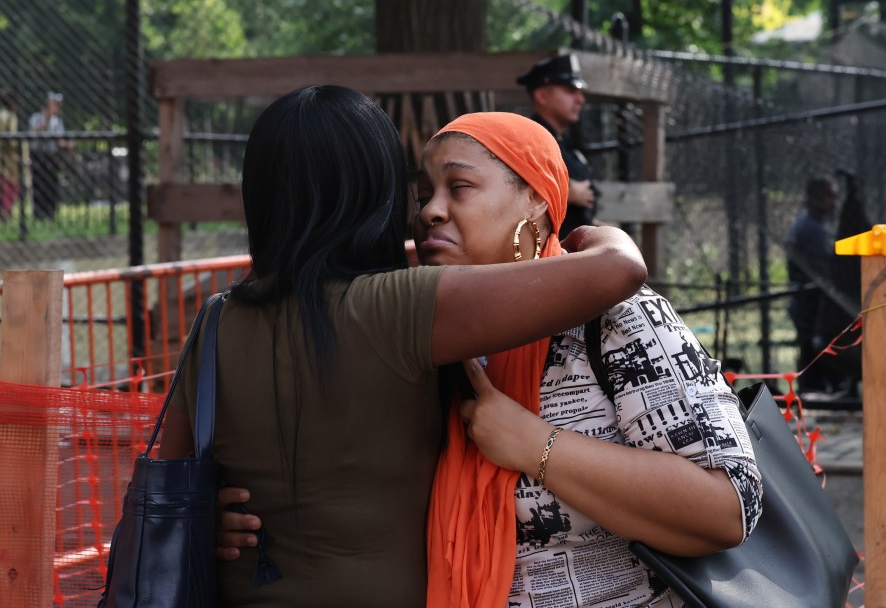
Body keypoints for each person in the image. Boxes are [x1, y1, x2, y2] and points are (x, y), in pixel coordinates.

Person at [220, 112, 762, 608]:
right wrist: (229, 520)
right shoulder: (421, 337)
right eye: (422, 193)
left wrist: (537, 446)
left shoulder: (615, 316)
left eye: (459, 187)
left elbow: (727, 505)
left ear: (534, 200)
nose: (430, 210)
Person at [158, 86, 647, 607]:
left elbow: (170, 488)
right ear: (378, 193)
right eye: (418, 195)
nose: (428, 211)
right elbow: (619, 271)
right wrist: (589, 235)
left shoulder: (215, 322)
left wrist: (207, 518)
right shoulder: (399, 308)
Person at [517, 52, 598, 238]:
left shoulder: (562, 141)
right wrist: (561, 191)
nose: (580, 99)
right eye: (570, 91)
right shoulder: (530, 139)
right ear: (542, 96)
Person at [785, 175, 840, 394]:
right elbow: (824, 271)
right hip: (809, 306)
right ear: (813, 199)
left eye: (835, 196)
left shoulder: (818, 226)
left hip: (815, 306)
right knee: (813, 357)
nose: (833, 203)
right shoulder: (809, 229)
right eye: (828, 196)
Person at [28, 91, 70, 220]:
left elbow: (59, 140)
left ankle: (50, 213)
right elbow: (36, 132)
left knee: (52, 185)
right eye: (54, 104)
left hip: (52, 156)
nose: (57, 108)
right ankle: (39, 213)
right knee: (39, 185)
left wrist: (67, 144)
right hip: (38, 156)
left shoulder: (57, 121)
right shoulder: (35, 117)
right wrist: (46, 118)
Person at [0, 90, 25, 221]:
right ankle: (6, 211)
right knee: (11, 184)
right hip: (8, 156)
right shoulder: (11, 117)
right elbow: (13, 140)